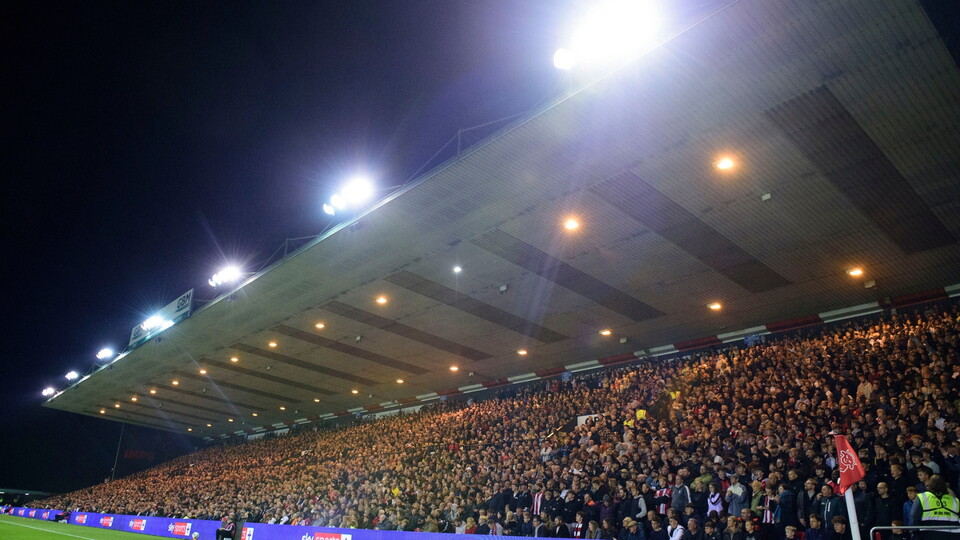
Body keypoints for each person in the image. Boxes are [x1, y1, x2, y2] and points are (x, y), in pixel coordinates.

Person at [911, 475, 960, 540]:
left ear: (929, 485)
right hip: (953, 534)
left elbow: (914, 516)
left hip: (929, 533)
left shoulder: (922, 497)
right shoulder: (954, 500)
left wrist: (914, 533)